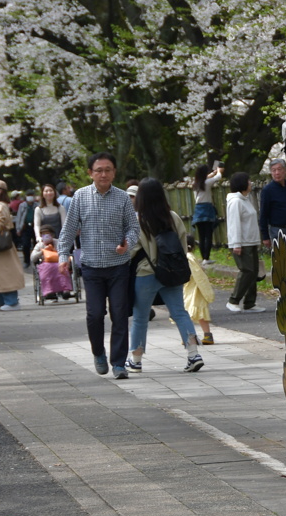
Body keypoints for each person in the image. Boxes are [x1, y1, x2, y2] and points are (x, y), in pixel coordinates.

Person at [57, 152, 140, 380]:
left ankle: (119, 363)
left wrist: (127, 243)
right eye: (99, 170)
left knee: (120, 314)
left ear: (114, 172)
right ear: (90, 173)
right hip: (92, 267)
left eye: (108, 170)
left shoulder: (123, 198)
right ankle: (98, 352)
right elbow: (69, 229)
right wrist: (63, 255)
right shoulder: (80, 197)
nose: (104, 174)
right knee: (94, 315)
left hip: (118, 266)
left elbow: (133, 228)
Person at [128, 178, 204, 373]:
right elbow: (181, 244)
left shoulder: (137, 220)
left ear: (141, 197)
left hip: (145, 273)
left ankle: (136, 359)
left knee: (140, 317)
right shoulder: (173, 217)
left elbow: (132, 250)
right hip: (171, 272)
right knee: (179, 312)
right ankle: (193, 353)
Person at [224, 171, 265, 314]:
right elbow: (234, 223)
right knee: (247, 271)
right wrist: (236, 244)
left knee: (253, 272)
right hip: (242, 243)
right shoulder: (235, 201)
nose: (251, 184)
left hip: (251, 241)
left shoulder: (246, 199)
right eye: (248, 181)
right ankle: (233, 300)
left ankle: (250, 302)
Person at [0, 180, 26, 311]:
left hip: (1, 243)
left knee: (6, 273)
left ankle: (11, 301)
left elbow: (1, 224)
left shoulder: (1, 206)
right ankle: (1, 300)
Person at [183, 234, 215, 344]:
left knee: (190, 312)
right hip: (191, 287)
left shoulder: (187, 257)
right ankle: (205, 335)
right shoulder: (189, 256)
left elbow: (197, 274)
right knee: (196, 313)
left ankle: (191, 336)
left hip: (194, 288)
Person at [259, 158, 286, 248]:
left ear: (285, 171)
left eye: (279, 169)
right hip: (278, 230)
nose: (277, 173)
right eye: (274, 170)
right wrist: (265, 237)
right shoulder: (267, 190)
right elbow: (263, 214)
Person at [191, 163, 222, 265]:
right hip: (207, 208)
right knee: (208, 235)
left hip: (198, 210)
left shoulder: (195, 184)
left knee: (201, 235)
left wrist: (212, 173)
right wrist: (218, 171)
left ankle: (203, 257)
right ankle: (206, 258)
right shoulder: (207, 183)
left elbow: (206, 178)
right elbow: (219, 177)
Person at [31, 225, 72, 301]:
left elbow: (65, 252)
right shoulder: (39, 245)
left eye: (48, 234)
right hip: (46, 264)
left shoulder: (58, 242)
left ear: (52, 235)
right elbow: (33, 258)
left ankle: (65, 290)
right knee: (47, 270)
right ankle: (49, 292)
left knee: (62, 268)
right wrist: (42, 251)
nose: (46, 236)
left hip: (59, 262)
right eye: (43, 234)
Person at [15, 192, 38, 267]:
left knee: (36, 244)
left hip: (35, 227)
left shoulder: (37, 205)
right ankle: (26, 261)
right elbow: (19, 217)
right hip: (25, 227)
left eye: (31, 196)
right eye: (28, 196)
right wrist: (18, 228)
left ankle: (36, 260)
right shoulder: (22, 205)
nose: (30, 198)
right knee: (25, 244)